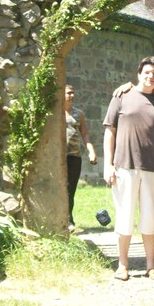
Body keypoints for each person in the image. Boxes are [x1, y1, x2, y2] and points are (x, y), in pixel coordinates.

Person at [102, 56, 154, 281]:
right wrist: (108, 165)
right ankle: (122, 265)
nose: (151, 77)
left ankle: (151, 266)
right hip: (124, 166)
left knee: (150, 218)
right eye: (147, 72)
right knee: (124, 216)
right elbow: (109, 132)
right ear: (138, 74)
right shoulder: (122, 95)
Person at [64, 84, 97, 232]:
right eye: (68, 93)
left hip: (74, 156)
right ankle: (62, 218)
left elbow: (85, 133)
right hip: (59, 157)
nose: (72, 96)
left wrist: (91, 151)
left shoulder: (79, 113)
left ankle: (69, 219)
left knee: (71, 189)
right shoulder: (56, 113)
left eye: (73, 93)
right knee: (62, 188)